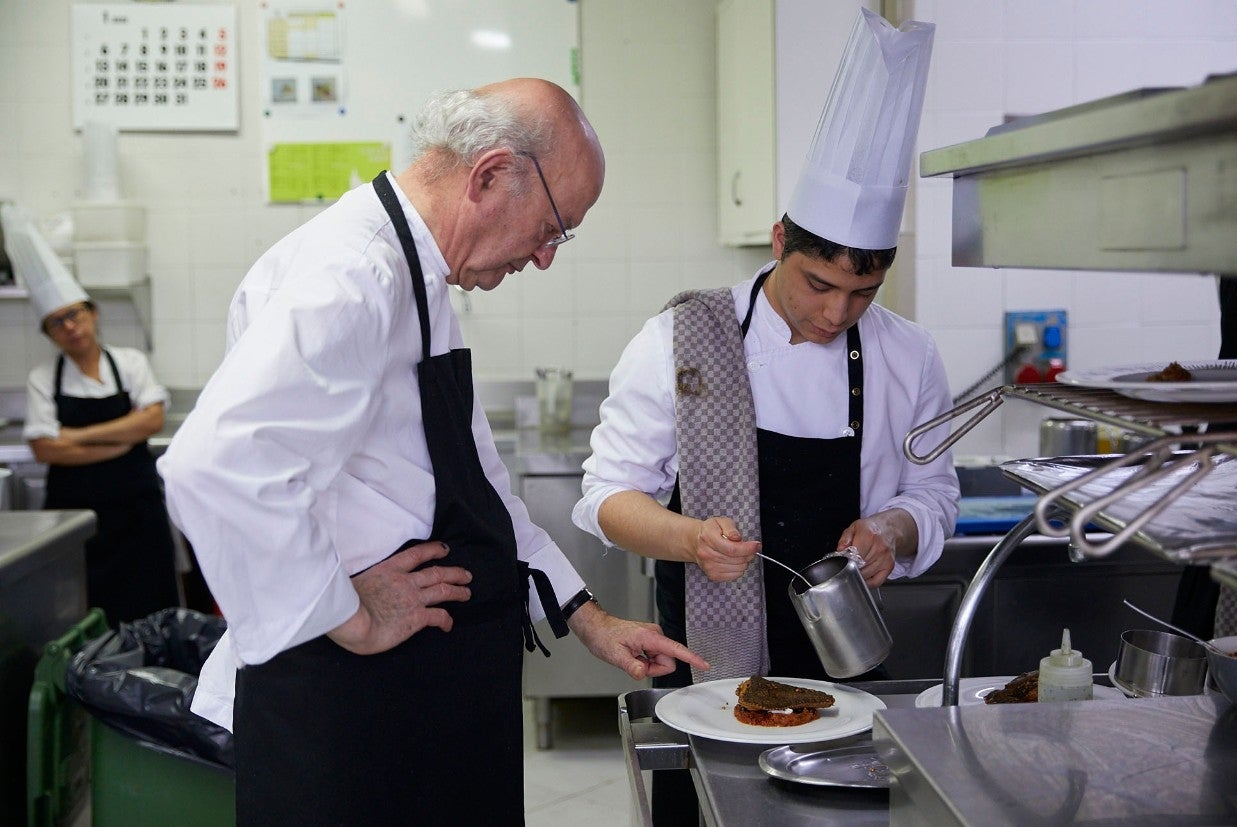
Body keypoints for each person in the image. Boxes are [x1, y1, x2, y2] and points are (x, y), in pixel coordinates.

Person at [157, 78, 708, 825]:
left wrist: (589, 618)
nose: (545, 257)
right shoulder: (353, 275)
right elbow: (213, 466)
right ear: (487, 176)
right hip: (354, 710)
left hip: (424, 702)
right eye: (551, 228)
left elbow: (479, 485)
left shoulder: (421, 279)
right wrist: (348, 610)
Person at [571, 12, 957, 823]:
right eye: (818, 283)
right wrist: (687, 539)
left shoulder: (909, 355)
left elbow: (937, 495)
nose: (835, 313)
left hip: (849, 675)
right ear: (780, 239)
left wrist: (896, 527)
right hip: (708, 674)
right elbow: (605, 497)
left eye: (863, 294)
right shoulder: (681, 337)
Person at [3, 203, 179, 626]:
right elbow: (45, 448)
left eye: (75, 315)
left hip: (138, 516)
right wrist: (120, 441)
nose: (71, 327)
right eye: (57, 323)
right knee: (82, 613)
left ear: (92, 313)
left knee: (150, 611)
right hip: (78, 521)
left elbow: (151, 422)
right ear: (49, 334)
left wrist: (75, 436)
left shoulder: (131, 362)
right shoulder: (42, 377)